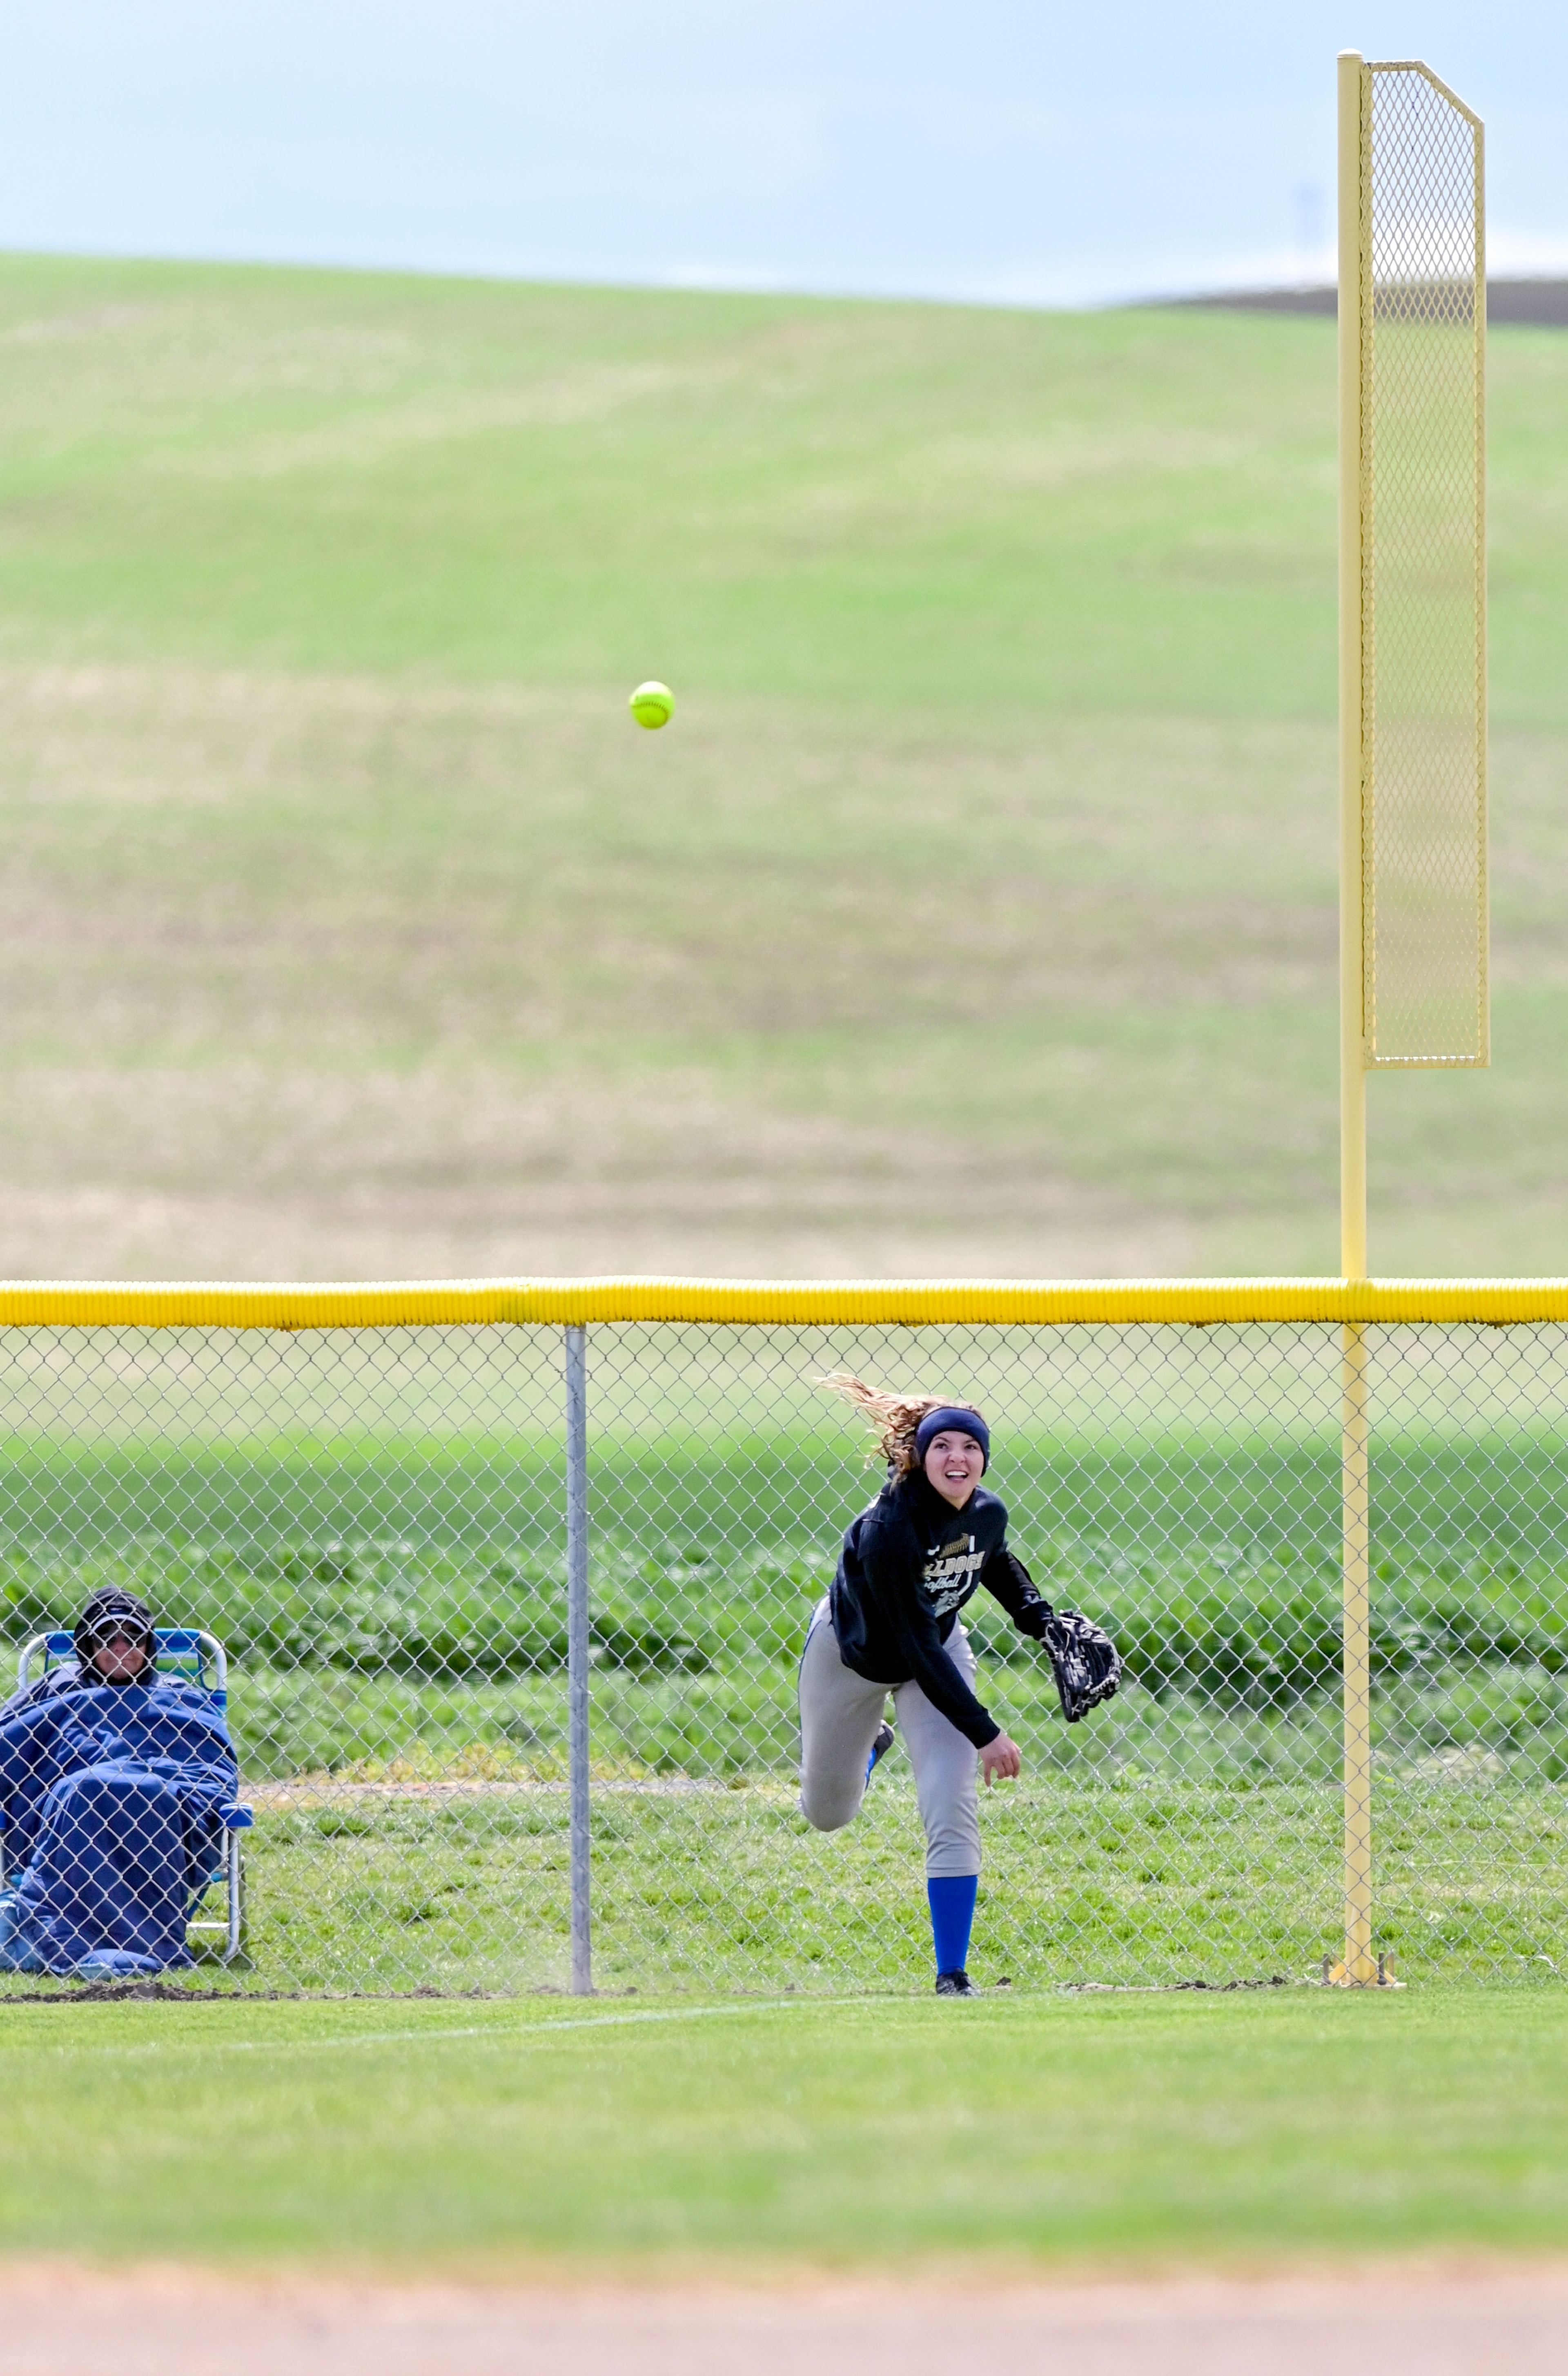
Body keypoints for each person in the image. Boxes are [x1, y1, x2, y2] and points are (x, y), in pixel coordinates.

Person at [798, 1377, 1056, 1998]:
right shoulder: (889, 1528)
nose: (958, 1457)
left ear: (985, 1458)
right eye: (943, 1446)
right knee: (827, 1813)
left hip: (936, 1651)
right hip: (852, 1657)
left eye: (971, 1446)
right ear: (919, 1456)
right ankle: (869, 1748)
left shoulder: (986, 1510)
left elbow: (992, 1557)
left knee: (951, 1800)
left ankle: (952, 1975)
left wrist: (1042, 1620)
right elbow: (912, 1644)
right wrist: (987, 1732)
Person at [0, 1589, 238, 1979]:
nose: (121, 1648)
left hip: (159, 1818)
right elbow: (10, 1742)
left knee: (108, 1788)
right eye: (106, 1637)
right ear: (86, 1643)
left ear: (150, 1643)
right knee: (85, 1789)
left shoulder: (179, 1696)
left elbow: (213, 1773)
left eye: (134, 1637)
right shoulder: (56, 1689)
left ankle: (62, 1939)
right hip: (65, 1822)